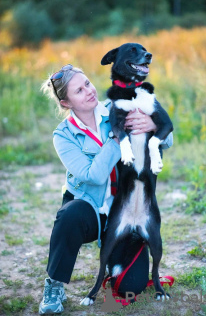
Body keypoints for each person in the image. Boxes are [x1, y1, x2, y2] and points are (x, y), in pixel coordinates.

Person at [39, 64, 173, 314]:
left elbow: (169, 139)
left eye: (87, 83)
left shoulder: (118, 107)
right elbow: (95, 176)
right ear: (66, 103)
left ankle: (119, 258)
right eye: (79, 91)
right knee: (70, 215)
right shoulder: (64, 135)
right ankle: (54, 284)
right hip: (88, 206)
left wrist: (151, 125)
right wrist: (116, 138)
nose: (89, 91)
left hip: (123, 208)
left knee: (131, 286)